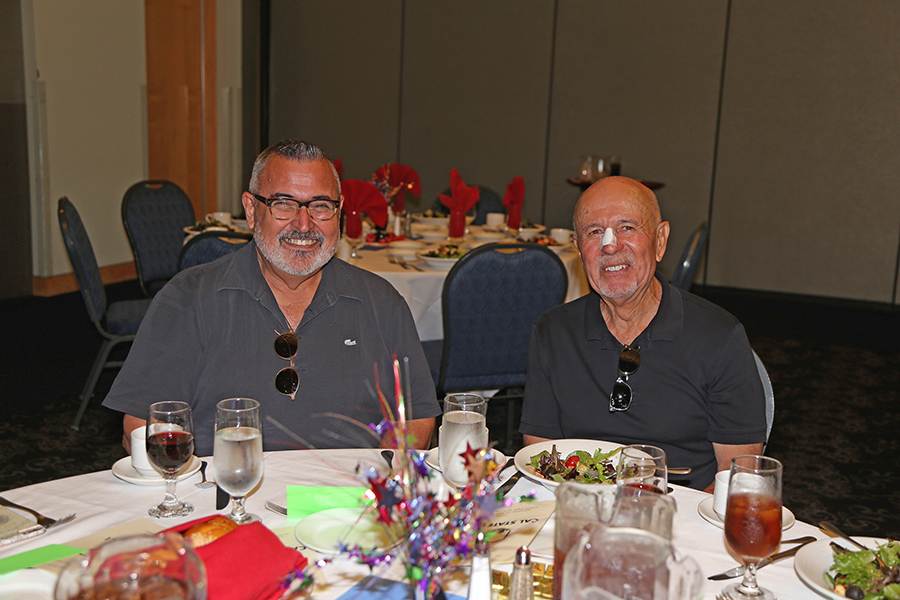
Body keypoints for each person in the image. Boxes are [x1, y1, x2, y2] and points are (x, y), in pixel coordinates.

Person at [103, 140, 440, 455]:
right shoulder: (188, 298)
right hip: (223, 499)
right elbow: (141, 422)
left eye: (321, 206)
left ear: (339, 212)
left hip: (344, 503)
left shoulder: (381, 302)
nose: (304, 224)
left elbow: (414, 416)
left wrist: (382, 479)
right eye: (283, 204)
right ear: (251, 210)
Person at [519, 177, 766, 491]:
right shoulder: (553, 332)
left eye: (627, 227)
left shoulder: (718, 337)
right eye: (594, 232)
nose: (610, 245)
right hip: (577, 510)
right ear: (579, 250)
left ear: (660, 240)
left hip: (679, 518)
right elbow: (541, 460)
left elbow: (739, 478)